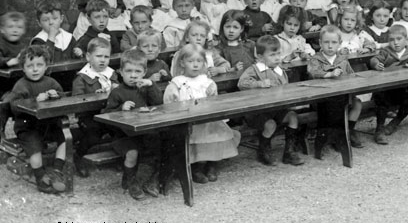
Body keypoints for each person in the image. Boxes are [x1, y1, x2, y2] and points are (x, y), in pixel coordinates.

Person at [163, 44, 240, 184]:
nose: (195, 65)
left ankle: (212, 165)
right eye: (191, 61)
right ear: (182, 63)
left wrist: (211, 94)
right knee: (195, 141)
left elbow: (214, 102)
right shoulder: (177, 83)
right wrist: (175, 98)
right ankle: (195, 168)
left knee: (215, 136)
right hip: (189, 120)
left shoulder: (207, 82)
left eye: (199, 61)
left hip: (207, 119)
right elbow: (169, 104)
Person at [102, 49, 163, 199]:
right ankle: (130, 181)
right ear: (121, 72)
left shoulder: (145, 88)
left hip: (144, 133)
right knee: (132, 152)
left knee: (157, 147)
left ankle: (149, 180)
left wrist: (151, 85)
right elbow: (106, 115)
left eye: (138, 71)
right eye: (129, 71)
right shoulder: (117, 92)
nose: (133, 75)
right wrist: (120, 109)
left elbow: (159, 102)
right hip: (123, 136)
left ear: (144, 72)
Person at [5, 46, 67, 193]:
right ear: (23, 68)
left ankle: (57, 171)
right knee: (35, 147)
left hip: (48, 124)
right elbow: (14, 106)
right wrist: (35, 101)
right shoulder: (21, 85)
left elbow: (63, 97)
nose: (35, 69)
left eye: (39, 65)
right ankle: (40, 177)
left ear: (46, 66)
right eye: (30, 66)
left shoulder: (51, 82)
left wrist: (56, 95)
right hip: (28, 127)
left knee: (64, 138)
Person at [238, 35, 304, 166]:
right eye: (272, 55)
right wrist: (258, 84)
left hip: (276, 109)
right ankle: (264, 151)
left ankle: (289, 152)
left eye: (278, 53)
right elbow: (241, 83)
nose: (277, 58)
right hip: (258, 112)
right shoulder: (255, 69)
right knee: (270, 124)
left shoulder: (280, 71)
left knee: (293, 117)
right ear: (260, 57)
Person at [307, 25, 363, 153]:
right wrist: (329, 74)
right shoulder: (316, 60)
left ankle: (347, 132)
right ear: (320, 43)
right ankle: (336, 137)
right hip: (323, 99)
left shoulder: (342, 60)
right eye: (326, 42)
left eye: (333, 42)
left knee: (357, 103)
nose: (330, 46)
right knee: (335, 107)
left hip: (343, 95)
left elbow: (351, 75)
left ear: (339, 43)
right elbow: (313, 72)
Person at [71, 37, 119, 176]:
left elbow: (119, 91)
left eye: (106, 57)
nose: (102, 60)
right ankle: (78, 156)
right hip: (89, 115)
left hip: (109, 113)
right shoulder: (82, 77)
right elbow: (78, 100)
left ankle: (120, 156)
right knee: (93, 135)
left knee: (120, 130)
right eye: (98, 56)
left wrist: (116, 90)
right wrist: (94, 96)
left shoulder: (111, 74)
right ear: (88, 57)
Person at [369, 24, 408, 145]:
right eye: (391, 40)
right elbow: (374, 59)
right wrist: (376, 64)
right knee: (382, 103)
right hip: (384, 88)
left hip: (399, 89)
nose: (395, 43)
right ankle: (379, 129)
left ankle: (395, 123)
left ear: (406, 40)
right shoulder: (386, 52)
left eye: (399, 39)